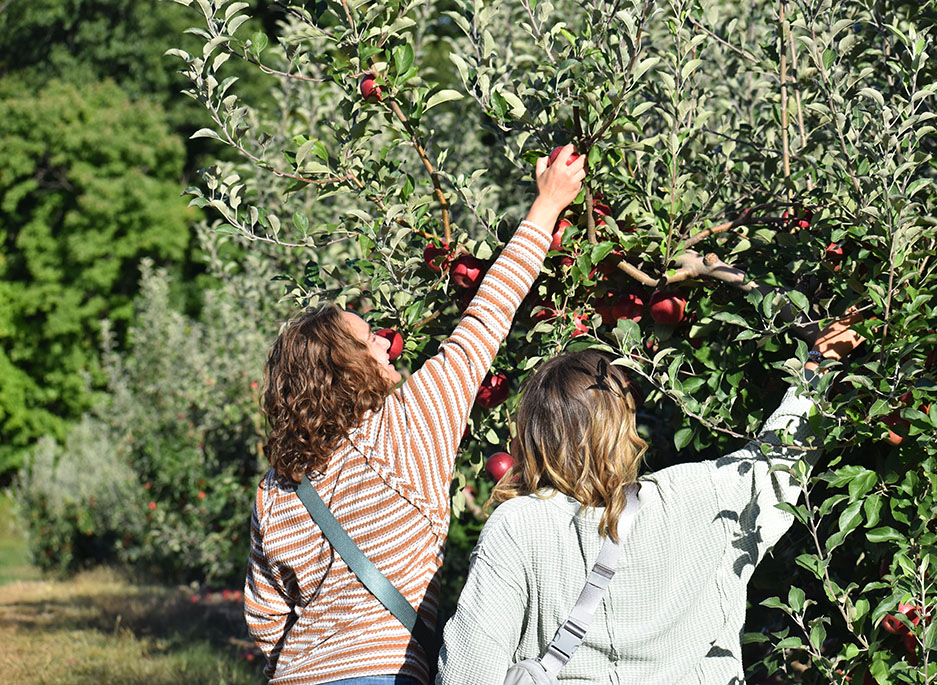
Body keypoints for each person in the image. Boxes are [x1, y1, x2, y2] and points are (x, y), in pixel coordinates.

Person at [245, 146, 586, 685]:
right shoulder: (409, 425)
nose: (384, 340)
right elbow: (487, 315)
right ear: (346, 366)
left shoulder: (275, 488)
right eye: (367, 338)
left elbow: (266, 622)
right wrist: (545, 207)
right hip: (384, 674)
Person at [436, 316, 864, 684]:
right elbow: (779, 457)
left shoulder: (519, 526)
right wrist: (819, 365)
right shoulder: (700, 496)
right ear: (622, 425)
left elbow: (469, 671)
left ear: (533, 435)